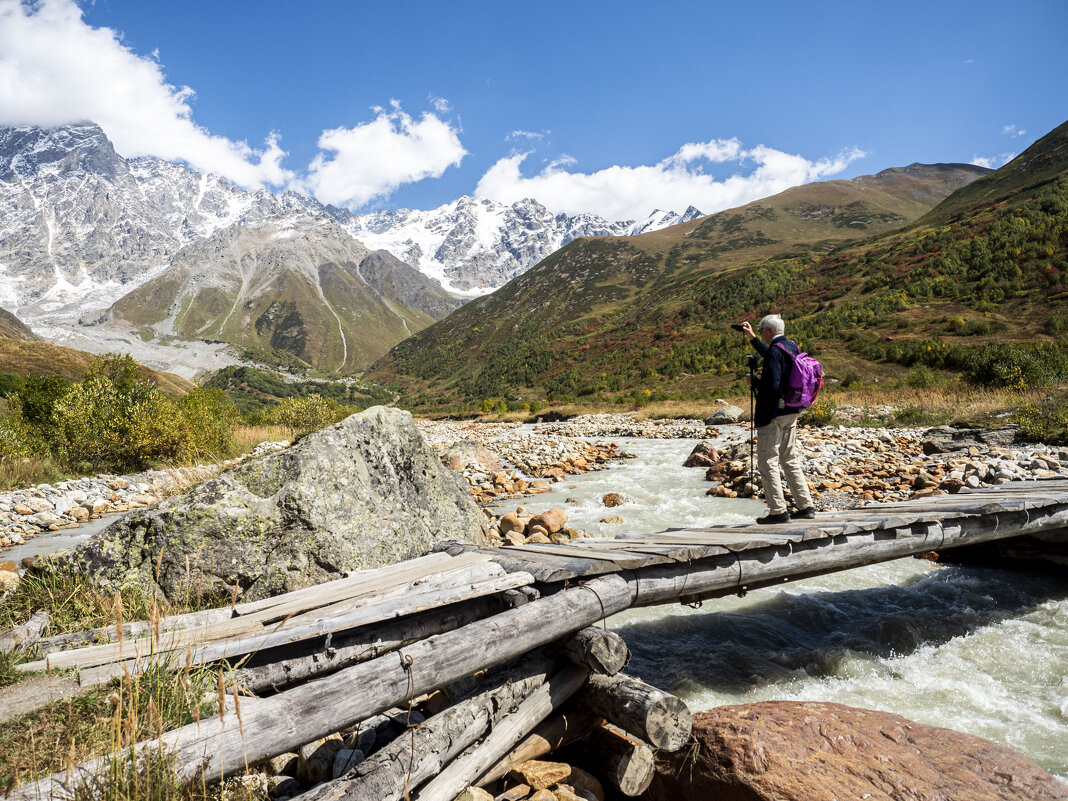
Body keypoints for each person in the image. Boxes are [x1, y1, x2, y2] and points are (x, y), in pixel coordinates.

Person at [738, 314, 816, 524]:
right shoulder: (790, 346)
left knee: (768, 460)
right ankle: (806, 506)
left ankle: (778, 512)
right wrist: (752, 338)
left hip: (772, 414)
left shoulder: (775, 350)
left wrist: (754, 381)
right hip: (791, 411)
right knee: (789, 458)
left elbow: (771, 386)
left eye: (762, 330)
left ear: (769, 331)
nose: (761, 333)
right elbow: (774, 357)